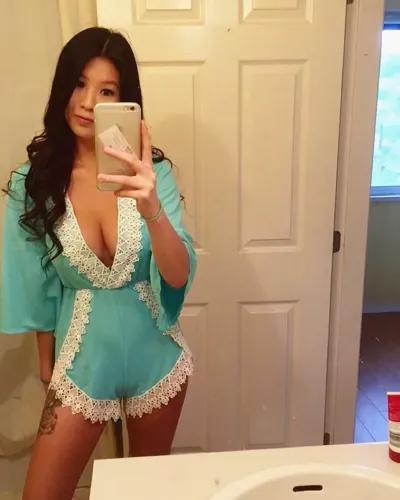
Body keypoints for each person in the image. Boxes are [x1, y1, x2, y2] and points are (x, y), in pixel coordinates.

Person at [0, 26, 196, 500]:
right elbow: (35, 283)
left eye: (106, 91)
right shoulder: (34, 182)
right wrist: (47, 365)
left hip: (158, 358)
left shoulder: (152, 174)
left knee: (147, 494)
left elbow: (177, 275)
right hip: (81, 361)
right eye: (79, 83)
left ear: (124, 101)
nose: (88, 103)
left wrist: (151, 208)